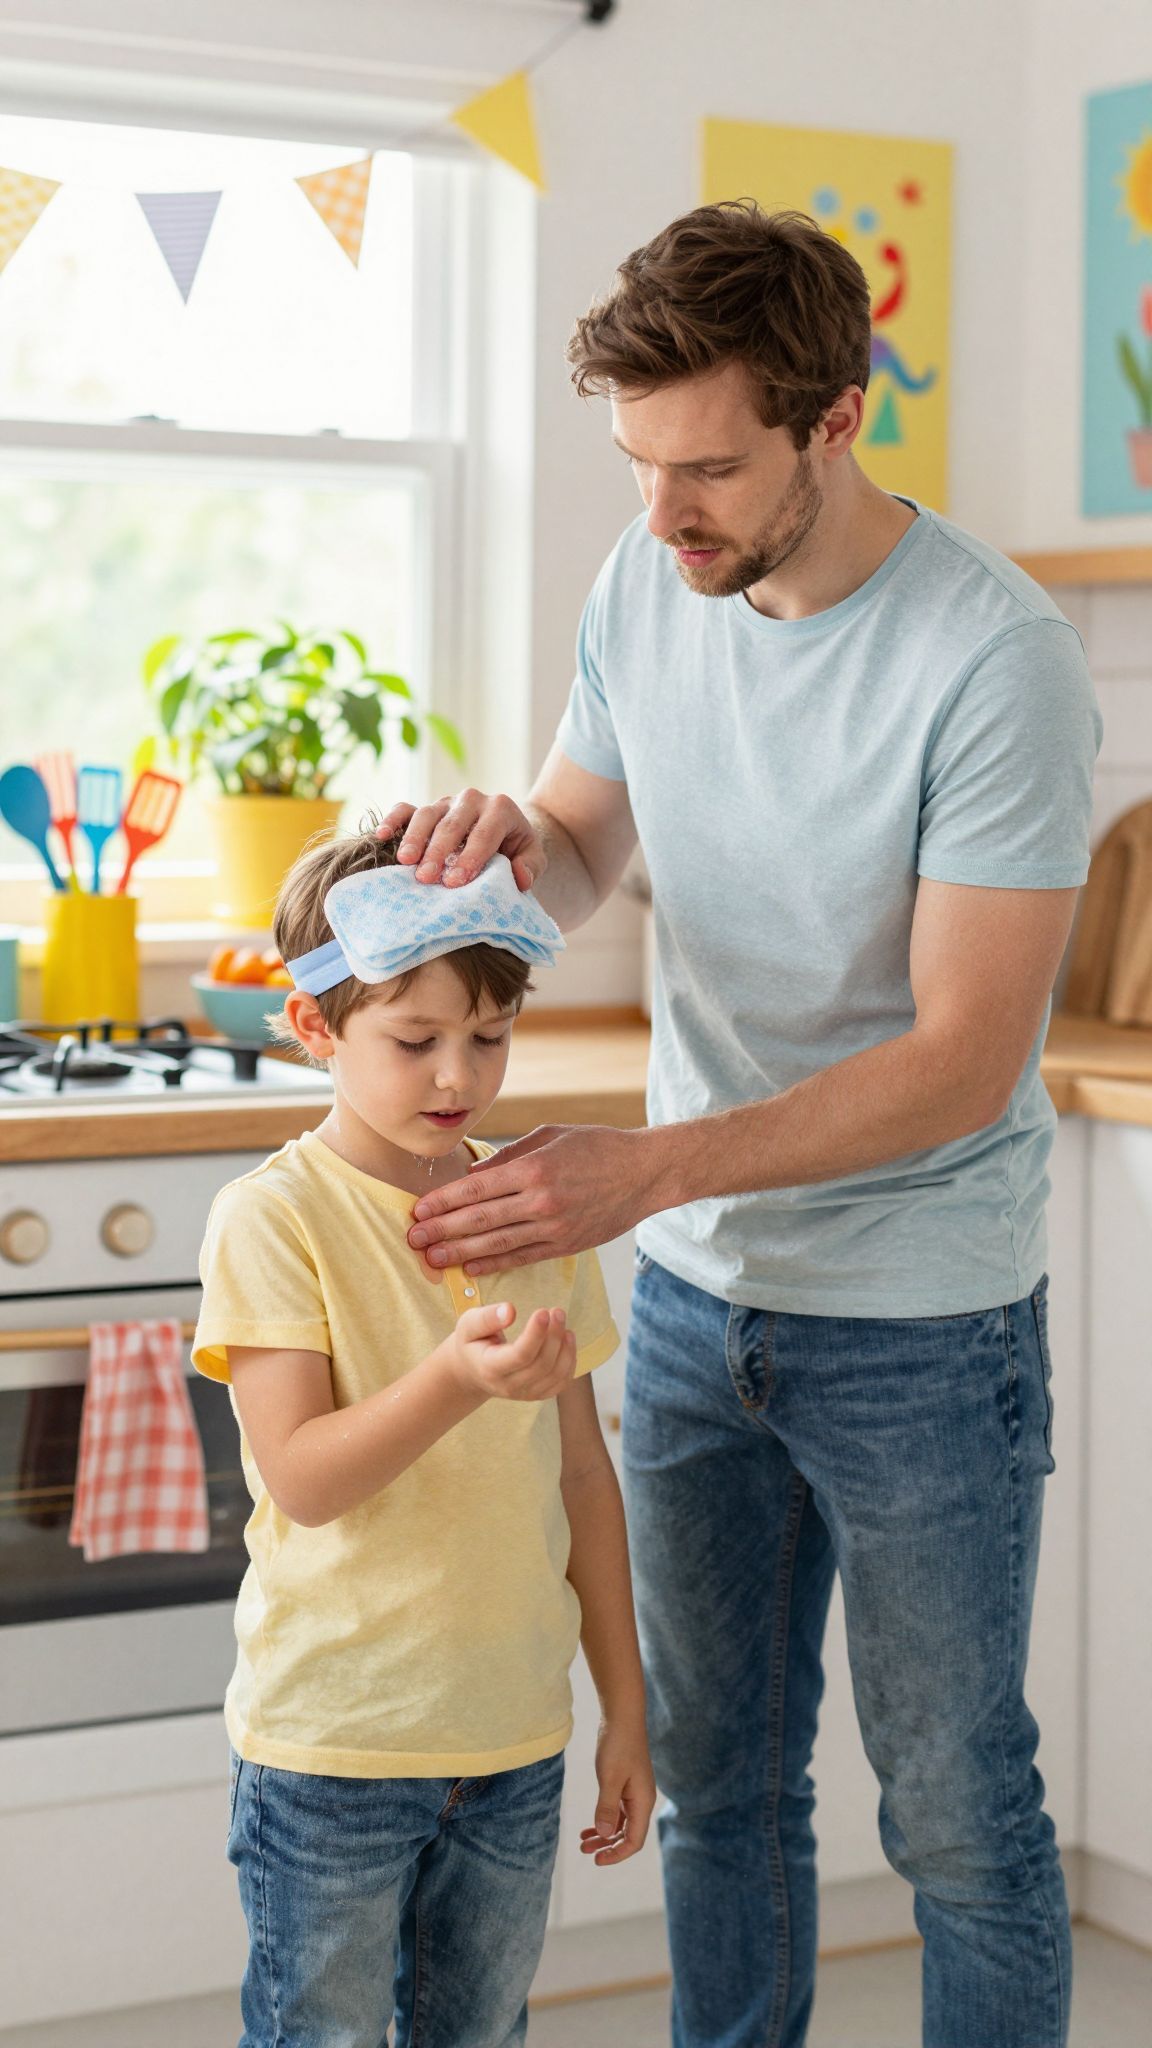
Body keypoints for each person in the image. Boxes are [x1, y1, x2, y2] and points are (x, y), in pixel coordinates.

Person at [377, 202, 1102, 2048]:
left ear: (835, 418)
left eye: (705, 468)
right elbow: (589, 835)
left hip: (923, 1320)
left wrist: (653, 1164)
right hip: (703, 1315)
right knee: (721, 1786)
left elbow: (959, 1053)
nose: (661, 513)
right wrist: (497, 850)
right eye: (637, 463)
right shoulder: (648, 582)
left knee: (952, 1809)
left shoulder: (991, 656)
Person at [192, 824, 654, 2048]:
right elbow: (304, 1475)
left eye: (489, 1036)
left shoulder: (534, 1209)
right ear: (314, 1028)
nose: (459, 1074)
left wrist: (625, 1701)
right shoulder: (273, 1219)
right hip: (334, 1746)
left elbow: (582, 1479)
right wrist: (457, 1375)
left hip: (510, 1738)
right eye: (414, 1038)